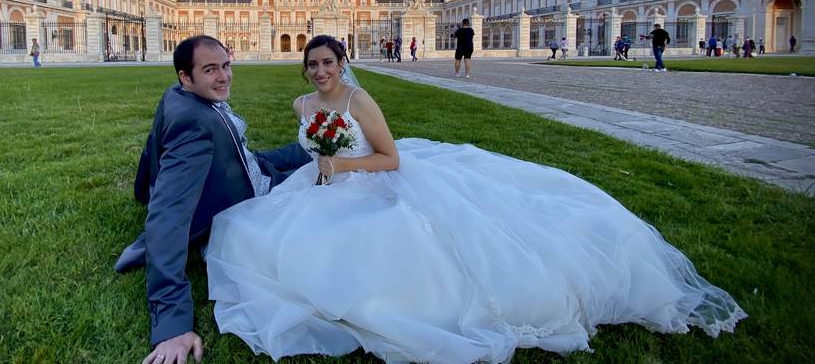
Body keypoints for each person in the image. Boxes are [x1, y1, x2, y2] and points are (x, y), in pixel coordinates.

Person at [205, 35, 746, 363]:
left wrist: (342, 163)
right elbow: (312, 148)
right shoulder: (303, 104)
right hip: (324, 187)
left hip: (373, 180)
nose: (321, 71)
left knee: (385, 247)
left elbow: (390, 158)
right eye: (313, 64)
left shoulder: (359, 97)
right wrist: (323, 168)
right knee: (256, 231)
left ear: (342, 64)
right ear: (305, 70)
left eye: (328, 63)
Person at [114, 35, 311, 364]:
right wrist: (172, 324)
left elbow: (153, 147)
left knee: (308, 151)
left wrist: (143, 188)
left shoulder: (177, 95)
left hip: (242, 165)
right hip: (249, 192)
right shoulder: (192, 125)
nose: (223, 76)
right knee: (327, 177)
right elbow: (168, 216)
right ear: (185, 77)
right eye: (210, 70)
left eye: (226, 66)